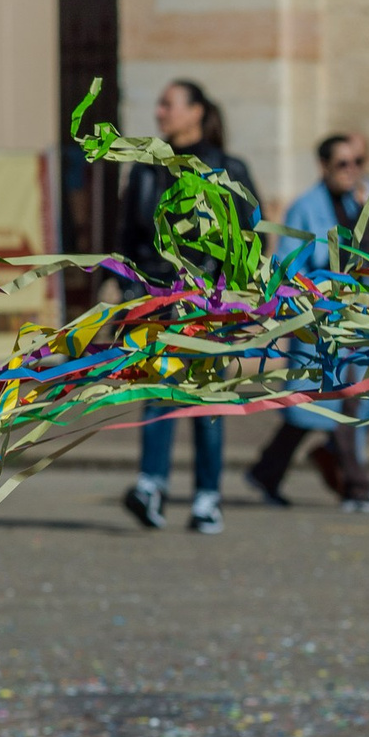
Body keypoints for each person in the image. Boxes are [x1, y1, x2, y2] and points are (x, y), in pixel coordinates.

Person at [120, 78, 262, 534]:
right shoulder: (146, 170)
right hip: (157, 301)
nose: (160, 112)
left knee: (205, 399)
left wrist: (246, 301)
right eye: (159, 104)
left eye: (168, 104)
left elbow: (250, 240)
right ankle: (151, 486)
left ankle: (207, 498)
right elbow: (125, 241)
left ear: (197, 112)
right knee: (159, 391)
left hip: (210, 304)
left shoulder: (228, 168)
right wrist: (119, 291)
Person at [246, 131, 369, 514]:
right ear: (324, 166)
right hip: (322, 325)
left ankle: (269, 470)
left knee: (328, 404)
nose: (352, 172)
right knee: (335, 402)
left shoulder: (367, 200)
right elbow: (287, 266)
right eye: (343, 164)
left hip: (361, 321)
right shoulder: (304, 208)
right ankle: (357, 484)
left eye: (358, 163)